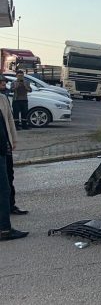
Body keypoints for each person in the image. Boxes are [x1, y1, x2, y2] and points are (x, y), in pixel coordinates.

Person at [0, 74, 26, 241]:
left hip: (4, 147)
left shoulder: (3, 98)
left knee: (8, 181)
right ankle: (4, 229)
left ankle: (10, 207)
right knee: (3, 189)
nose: (3, 84)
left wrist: (12, 141)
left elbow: (9, 121)